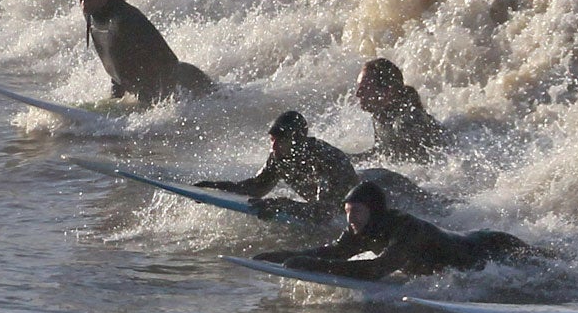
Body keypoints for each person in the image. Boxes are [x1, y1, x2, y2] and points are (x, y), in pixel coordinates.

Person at [251, 180, 530, 280]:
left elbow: (376, 271)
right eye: (348, 213)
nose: (351, 220)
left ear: (374, 211)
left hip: (490, 249)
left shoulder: (406, 229)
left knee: (548, 267)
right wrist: (276, 256)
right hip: (478, 247)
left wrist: (311, 266)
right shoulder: (362, 228)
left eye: (357, 212)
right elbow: (333, 252)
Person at [75, 0, 212, 103]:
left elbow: (165, 69)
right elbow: (117, 70)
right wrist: (114, 102)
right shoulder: (91, 12)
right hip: (167, 90)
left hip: (190, 88)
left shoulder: (125, 20)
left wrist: (145, 107)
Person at [205, 111, 360, 224]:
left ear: (296, 140)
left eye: (280, 140)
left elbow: (324, 213)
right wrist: (217, 187)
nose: (274, 147)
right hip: (328, 206)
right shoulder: (279, 157)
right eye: (272, 140)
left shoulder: (325, 159)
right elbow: (257, 187)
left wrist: (282, 205)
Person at [354, 58, 446, 162]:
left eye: (365, 88)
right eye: (359, 87)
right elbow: (381, 152)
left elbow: (419, 166)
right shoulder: (380, 113)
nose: (358, 93)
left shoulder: (408, 121)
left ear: (388, 91)